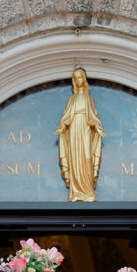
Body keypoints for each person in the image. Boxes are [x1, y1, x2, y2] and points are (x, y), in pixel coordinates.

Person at [56, 67, 104, 202]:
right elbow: (66, 116)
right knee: (75, 159)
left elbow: (94, 116)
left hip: (86, 129)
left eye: (80, 77)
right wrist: (62, 126)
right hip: (74, 131)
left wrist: (97, 126)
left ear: (84, 79)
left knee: (87, 157)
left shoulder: (89, 98)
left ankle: (88, 190)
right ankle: (76, 191)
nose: (78, 80)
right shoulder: (72, 99)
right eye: (76, 78)